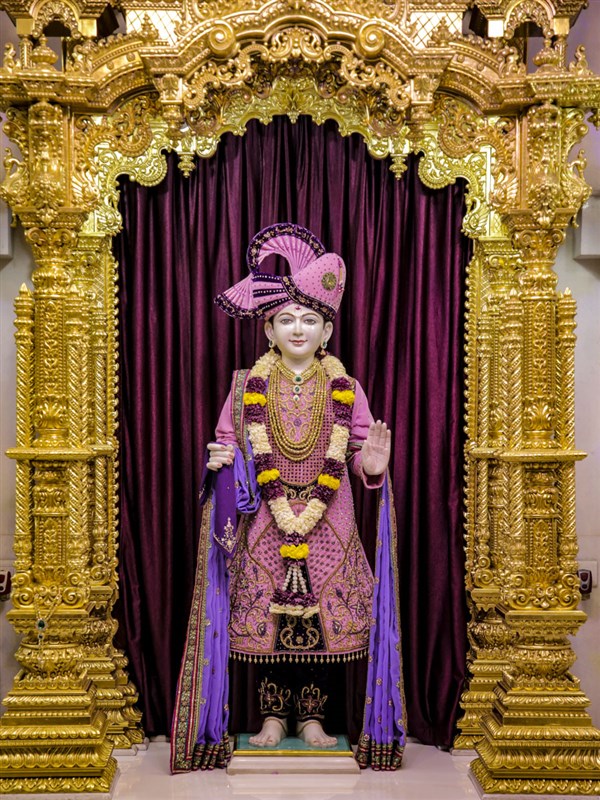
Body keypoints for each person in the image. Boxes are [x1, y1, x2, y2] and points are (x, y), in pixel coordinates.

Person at [170, 223, 406, 772]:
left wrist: (370, 468)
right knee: (270, 617)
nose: (298, 328)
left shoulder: (346, 387)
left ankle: (313, 718)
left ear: (327, 330)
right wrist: (220, 460)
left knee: (319, 619)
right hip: (266, 518)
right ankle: (273, 716)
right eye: (286, 319)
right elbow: (229, 442)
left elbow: (358, 449)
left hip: (330, 518)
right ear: (269, 329)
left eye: (309, 319)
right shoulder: (245, 387)